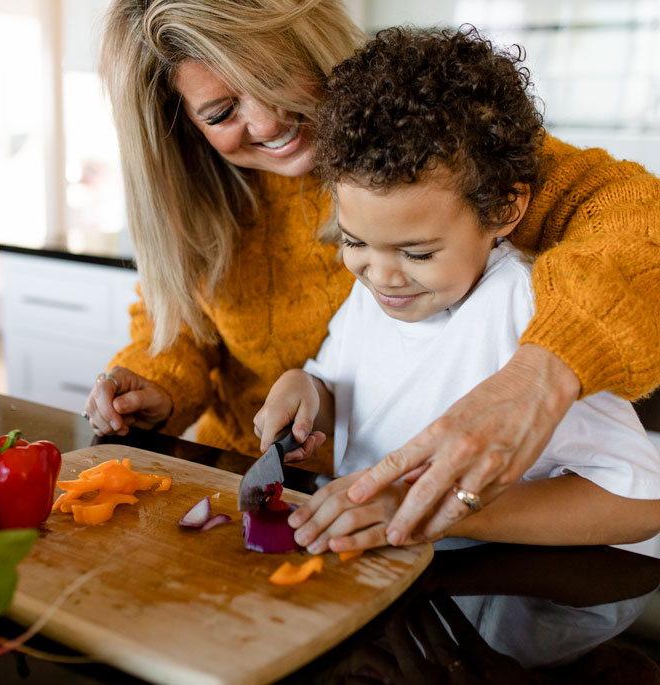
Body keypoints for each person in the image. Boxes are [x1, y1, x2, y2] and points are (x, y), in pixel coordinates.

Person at [84, 0, 660, 545]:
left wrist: (542, 374)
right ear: (183, 124)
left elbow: (636, 224)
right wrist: (157, 386)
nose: (266, 121)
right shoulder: (214, 202)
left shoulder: (445, 150)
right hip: (288, 490)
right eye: (222, 112)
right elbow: (191, 328)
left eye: (271, 76)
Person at [254, 24, 660, 668]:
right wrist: (308, 391)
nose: (381, 274)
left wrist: (442, 512)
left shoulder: (530, 307)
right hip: (394, 586)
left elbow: (637, 503)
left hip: (511, 621)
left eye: (416, 252)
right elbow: (342, 386)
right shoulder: (378, 290)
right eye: (354, 241)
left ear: (502, 210)